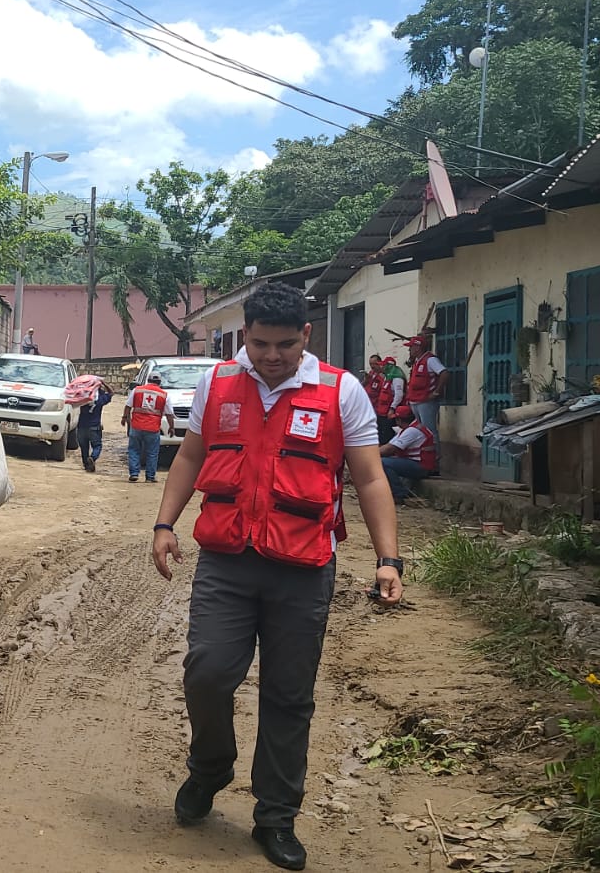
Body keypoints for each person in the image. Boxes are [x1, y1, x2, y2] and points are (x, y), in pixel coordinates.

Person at [151, 282, 402, 871]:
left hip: (303, 569)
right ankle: (211, 767)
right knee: (207, 673)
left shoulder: (342, 392)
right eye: (260, 343)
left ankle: (275, 817)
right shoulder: (217, 382)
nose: (270, 356)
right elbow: (191, 455)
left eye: (284, 345)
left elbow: (369, 479)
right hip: (227, 561)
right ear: (247, 335)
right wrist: (165, 523)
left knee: (289, 697)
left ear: (306, 336)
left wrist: (388, 559)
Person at [380, 404, 438, 504]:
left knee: (383, 462)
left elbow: (390, 449)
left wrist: (371, 454)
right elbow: (389, 445)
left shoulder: (412, 431)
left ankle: (399, 494)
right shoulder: (409, 429)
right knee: (385, 461)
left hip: (421, 466)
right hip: (416, 463)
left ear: (400, 420)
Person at [122, 373, 175, 483]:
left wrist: (124, 418)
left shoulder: (137, 390)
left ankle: (134, 473)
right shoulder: (164, 395)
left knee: (134, 450)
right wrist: (171, 427)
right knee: (152, 452)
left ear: (148, 380)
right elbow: (169, 414)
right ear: (159, 382)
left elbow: (128, 406)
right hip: (153, 427)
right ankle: (150, 477)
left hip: (136, 426)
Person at [405, 334, 448, 435]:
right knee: (419, 431)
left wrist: (436, 392)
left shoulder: (430, 360)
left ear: (417, 348)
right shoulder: (417, 362)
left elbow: (444, 373)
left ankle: (433, 450)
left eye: (411, 347)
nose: (409, 350)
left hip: (426, 402)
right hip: (415, 401)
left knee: (429, 431)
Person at [77, 380, 113, 472]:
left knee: (84, 448)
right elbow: (111, 392)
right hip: (94, 427)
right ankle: (92, 458)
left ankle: (86, 465)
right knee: (97, 446)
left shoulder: (83, 397)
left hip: (81, 426)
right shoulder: (101, 398)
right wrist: (104, 383)